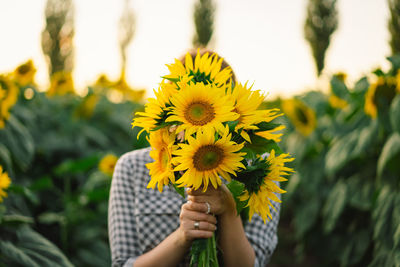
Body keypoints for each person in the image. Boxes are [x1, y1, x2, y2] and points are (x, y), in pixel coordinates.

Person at [108, 50, 281, 267]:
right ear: (171, 104)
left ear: (232, 110)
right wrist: (182, 237)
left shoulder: (256, 168)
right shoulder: (133, 168)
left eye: (216, 100)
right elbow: (122, 264)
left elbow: (255, 264)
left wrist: (228, 209)